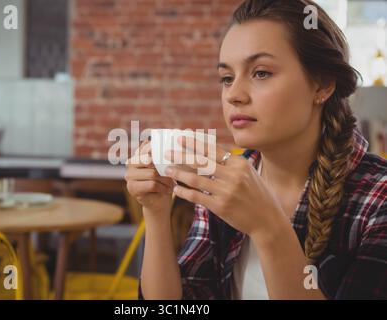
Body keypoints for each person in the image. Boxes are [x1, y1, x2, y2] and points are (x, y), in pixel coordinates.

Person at [125, 0, 387, 299]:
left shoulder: (378, 200)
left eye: (261, 73)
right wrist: (156, 214)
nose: (234, 95)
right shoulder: (223, 182)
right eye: (226, 78)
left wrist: (269, 228)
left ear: (322, 85)